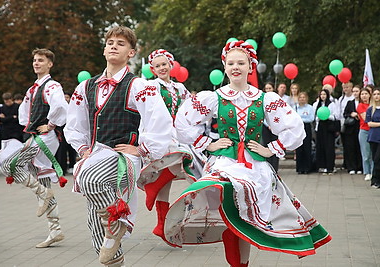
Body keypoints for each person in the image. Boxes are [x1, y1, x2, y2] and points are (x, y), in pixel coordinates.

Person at [165, 40, 331, 266]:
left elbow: (296, 129)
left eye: (241, 63)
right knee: (226, 191)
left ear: (250, 67)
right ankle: (233, 254)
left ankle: (241, 262)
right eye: (231, 62)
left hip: (255, 165)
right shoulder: (214, 97)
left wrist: (270, 148)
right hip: (224, 161)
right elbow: (183, 122)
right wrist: (207, 143)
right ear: (224, 67)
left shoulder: (265, 99)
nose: (235, 67)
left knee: (246, 219)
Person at [64, 26, 173, 266]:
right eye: (110, 42)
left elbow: (161, 122)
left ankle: (117, 223)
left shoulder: (139, 86)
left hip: (123, 159)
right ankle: (115, 256)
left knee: (90, 179)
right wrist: (82, 148)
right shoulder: (86, 87)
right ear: (104, 49)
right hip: (95, 155)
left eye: (121, 43)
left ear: (131, 52)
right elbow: (75, 123)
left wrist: (142, 149)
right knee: (94, 224)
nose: (114, 46)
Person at [0, 48, 68, 248]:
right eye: (35, 60)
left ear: (50, 64)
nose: (36, 63)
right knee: (44, 180)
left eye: (40, 60)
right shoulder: (33, 89)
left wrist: (51, 124)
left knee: (10, 164)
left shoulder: (52, 86)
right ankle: (55, 230)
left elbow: (61, 106)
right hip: (37, 135)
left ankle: (42, 193)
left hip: (46, 137)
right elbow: (24, 113)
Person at [137, 49, 205, 243]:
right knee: (181, 162)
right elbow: (147, 110)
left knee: (180, 167)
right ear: (152, 69)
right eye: (157, 66)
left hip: (178, 131)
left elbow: (187, 110)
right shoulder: (152, 86)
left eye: (164, 64)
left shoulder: (180, 88)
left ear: (171, 65)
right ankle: (163, 222)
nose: (161, 68)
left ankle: (162, 217)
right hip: (161, 131)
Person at [313, 89, 338, 175]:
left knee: (329, 147)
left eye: (324, 94)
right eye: (321, 94)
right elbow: (315, 117)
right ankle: (322, 166)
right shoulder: (317, 104)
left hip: (328, 127)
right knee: (321, 147)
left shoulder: (331, 104)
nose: (323, 96)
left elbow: (335, 116)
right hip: (320, 128)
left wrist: (327, 116)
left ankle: (330, 167)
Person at [55, 92, 77, 175]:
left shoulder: (74, 107)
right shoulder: (59, 108)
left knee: (72, 149)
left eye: (67, 97)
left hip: (72, 130)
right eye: (64, 97)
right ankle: (62, 169)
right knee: (62, 150)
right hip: (61, 131)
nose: (66, 99)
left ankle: (72, 166)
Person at [343, 85, 362, 174]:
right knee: (350, 148)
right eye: (354, 91)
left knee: (359, 147)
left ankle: (360, 167)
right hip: (350, 129)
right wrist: (351, 114)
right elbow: (345, 114)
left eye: (357, 91)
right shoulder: (350, 103)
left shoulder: (363, 103)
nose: (355, 93)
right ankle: (351, 167)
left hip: (360, 127)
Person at [261, 82, 279, 171]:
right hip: (265, 126)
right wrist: (268, 125)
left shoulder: (277, 100)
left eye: (270, 88)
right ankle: (268, 167)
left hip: (275, 126)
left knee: (275, 146)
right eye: (266, 89)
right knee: (267, 146)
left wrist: (273, 125)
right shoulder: (262, 100)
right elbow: (262, 115)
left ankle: (275, 167)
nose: (268, 90)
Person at [295, 92, 315, 174]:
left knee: (307, 147)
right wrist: (302, 118)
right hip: (298, 128)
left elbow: (311, 118)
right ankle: (300, 168)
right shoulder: (295, 107)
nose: (302, 99)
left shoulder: (310, 107)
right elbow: (294, 118)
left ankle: (307, 168)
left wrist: (301, 118)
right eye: (300, 97)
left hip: (306, 127)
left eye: (304, 97)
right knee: (299, 148)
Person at [356, 88, 373, 181]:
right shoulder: (360, 106)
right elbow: (366, 118)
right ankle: (367, 172)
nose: (364, 96)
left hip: (374, 130)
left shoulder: (373, 105)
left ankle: (374, 171)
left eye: (366, 93)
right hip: (364, 130)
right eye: (362, 94)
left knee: (373, 153)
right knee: (366, 153)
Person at [338, 82, 355, 169]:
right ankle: (346, 163)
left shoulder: (353, 98)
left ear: (351, 88)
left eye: (347, 87)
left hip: (352, 123)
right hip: (343, 123)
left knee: (352, 145)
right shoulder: (341, 99)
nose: (345, 89)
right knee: (345, 144)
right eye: (344, 88)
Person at [366, 87, 380, 188]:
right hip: (373, 137)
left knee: (378, 158)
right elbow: (369, 123)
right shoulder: (370, 109)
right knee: (375, 159)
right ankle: (374, 180)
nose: (376, 96)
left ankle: (377, 179)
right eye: (374, 94)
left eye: (378, 94)